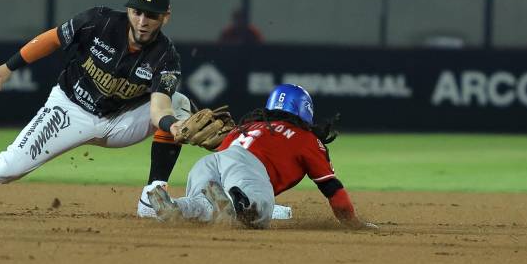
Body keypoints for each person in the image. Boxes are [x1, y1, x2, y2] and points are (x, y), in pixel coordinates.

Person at [0, 0, 193, 214]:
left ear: (165, 17)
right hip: (70, 109)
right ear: (128, 10)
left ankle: (153, 194)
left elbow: (159, 108)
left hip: (120, 123)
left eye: (151, 15)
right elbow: (53, 39)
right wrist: (8, 66)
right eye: (136, 11)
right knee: (9, 167)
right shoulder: (99, 22)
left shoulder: (166, 57)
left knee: (179, 104)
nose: (142, 20)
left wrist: (172, 125)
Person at [147, 83, 377, 230]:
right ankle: (239, 201)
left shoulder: (248, 126)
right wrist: (353, 223)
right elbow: (331, 188)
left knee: (204, 205)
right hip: (248, 169)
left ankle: (177, 206)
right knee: (257, 212)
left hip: (210, 163)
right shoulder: (306, 138)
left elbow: (225, 155)